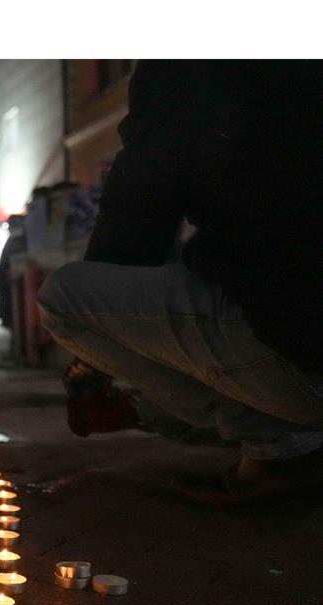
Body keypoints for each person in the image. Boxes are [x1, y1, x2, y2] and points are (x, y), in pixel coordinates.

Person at [37, 60, 323, 507]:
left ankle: (282, 451)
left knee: (64, 298)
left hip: (301, 330)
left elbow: (139, 212)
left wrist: (88, 363)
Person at [0, 214, 26, 331]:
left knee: (15, 315)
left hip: (13, 284)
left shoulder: (17, 240)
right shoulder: (14, 240)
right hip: (10, 284)